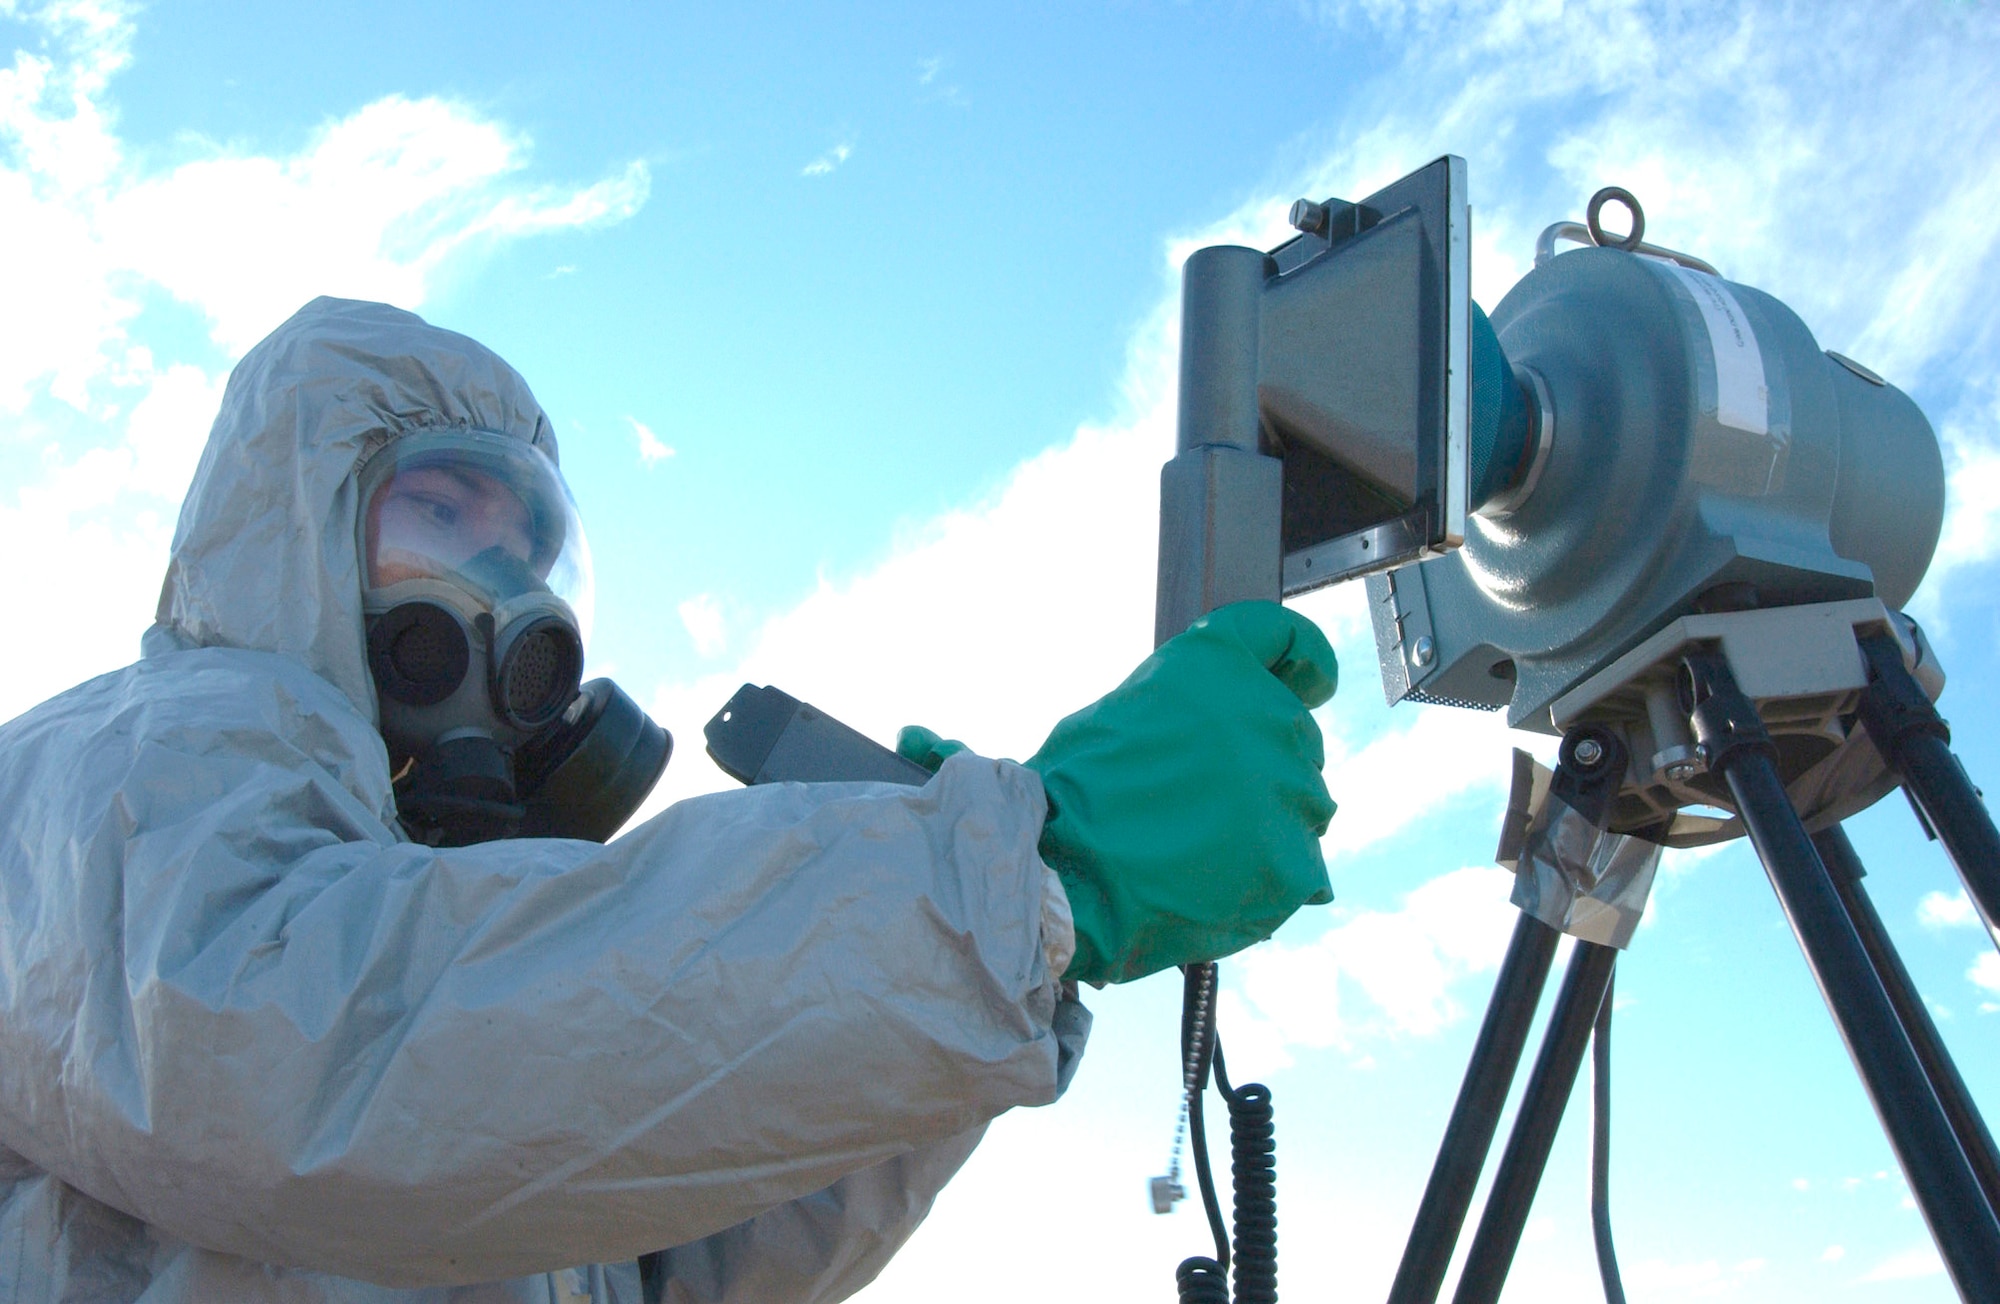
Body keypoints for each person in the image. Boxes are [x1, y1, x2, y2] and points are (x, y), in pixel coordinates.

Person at [0, 297, 1338, 1302]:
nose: (506, 588)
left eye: (527, 547)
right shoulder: (145, 750)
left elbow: (658, 1256)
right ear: (301, 522)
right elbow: (301, 1062)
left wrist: (987, 967)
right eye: (447, 523)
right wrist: (989, 889)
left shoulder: (421, 895)